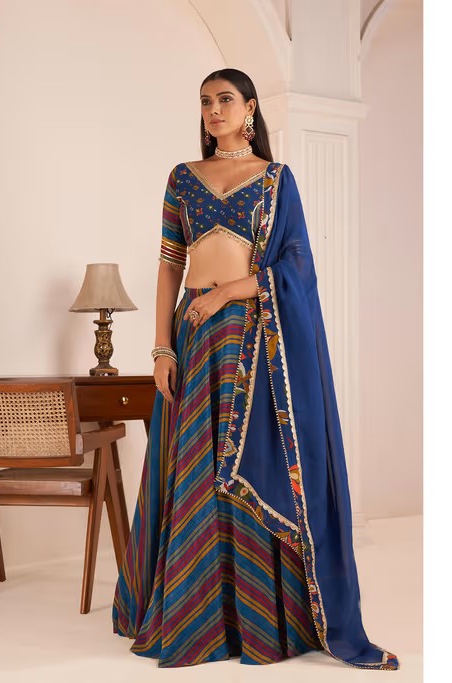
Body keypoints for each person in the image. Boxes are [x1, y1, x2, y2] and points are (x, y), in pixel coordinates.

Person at [112, 68, 400, 670]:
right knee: (196, 466)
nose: (213, 110)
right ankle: (192, 613)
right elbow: (169, 266)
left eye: (225, 100)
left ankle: (259, 619)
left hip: (252, 336)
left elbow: (298, 265)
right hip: (195, 338)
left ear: (249, 109)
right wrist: (161, 347)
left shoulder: (275, 179)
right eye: (205, 102)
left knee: (248, 466)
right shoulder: (182, 178)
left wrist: (228, 291)